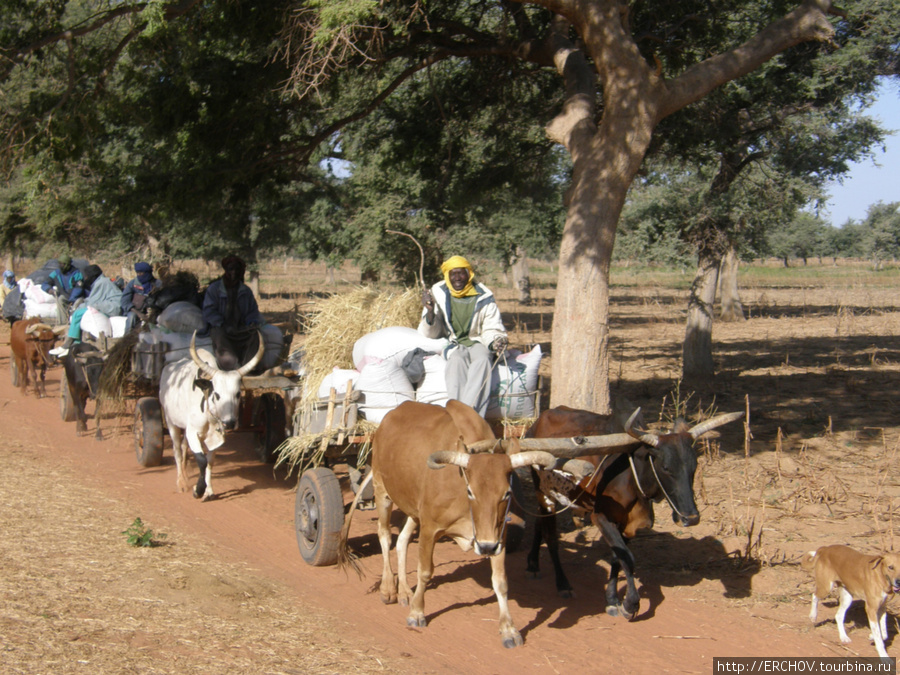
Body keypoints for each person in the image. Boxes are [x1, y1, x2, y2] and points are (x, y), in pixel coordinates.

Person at [419, 255, 508, 417]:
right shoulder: (438, 293)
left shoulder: (484, 296)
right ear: (447, 276)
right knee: (456, 361)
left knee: (482, 361)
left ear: (469, 274)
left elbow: (491, 327)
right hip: (453, 342)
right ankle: (456, 413)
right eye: (453, 274)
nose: (457, 278)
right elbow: (430, 332)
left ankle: (471, 415)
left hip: (478, 341)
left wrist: (496, 341)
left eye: (461, 273)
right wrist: (430, 311)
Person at [202, 255, 263, 371]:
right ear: (226, 270)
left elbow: (252, 311)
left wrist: (251, 322)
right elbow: (209, 311)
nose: (234, 272)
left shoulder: (246, 291)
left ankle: (249, 368)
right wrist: (221, 323)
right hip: (221, 327)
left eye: (237, 269)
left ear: (241, 272)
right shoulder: (214, 289)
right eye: (231, 269)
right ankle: (231, 366)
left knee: (255, 335)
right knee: (219, 336)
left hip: (240, 328)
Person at [50, 265, 123, 357]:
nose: (85, 278)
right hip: (106, 305)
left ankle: (68, 344)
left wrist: (78, 307)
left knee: (78, 313)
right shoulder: (99, 282)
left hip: (113, 307)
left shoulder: (102, 282)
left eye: (86, 276)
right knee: (81, 310)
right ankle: (75, 342)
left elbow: (93, 301)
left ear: (93, 276)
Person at [121, 261, 161, 332]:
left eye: (141, 273)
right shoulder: (133, 283)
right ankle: (127, 337)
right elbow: (125, 301)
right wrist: (139, 314)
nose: (139, 275)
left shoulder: (157, 284)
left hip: (153, 312)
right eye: (138, 273)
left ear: (147, 273)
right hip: (136, 311)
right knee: (131, 317)